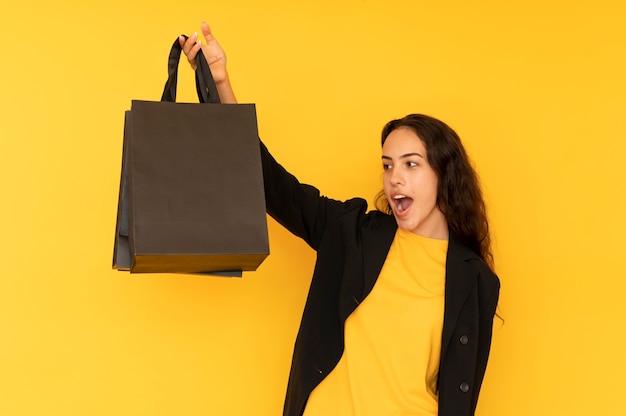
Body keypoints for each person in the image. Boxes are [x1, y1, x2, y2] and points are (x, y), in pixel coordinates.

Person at [179, 22, 500, 416]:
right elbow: (271, 184)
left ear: (444, 175)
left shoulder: (475, 281)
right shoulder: (352, 232)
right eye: (387, 165)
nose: (394, 177)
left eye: (411, 164)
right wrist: (220, 85)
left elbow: (459, 397)